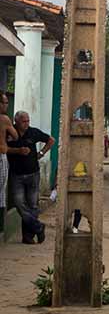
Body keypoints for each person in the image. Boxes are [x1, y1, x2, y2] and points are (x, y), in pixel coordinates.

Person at [7, 111, 54, 244]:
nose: (27, 124)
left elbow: (51, 140)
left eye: (28, 121)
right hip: (17, 175)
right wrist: (18, 151)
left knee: (32, 205)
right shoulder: (10, 132)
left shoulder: (33, 132)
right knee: (19, 204)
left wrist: (41, 153)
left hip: (33, 173)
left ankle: (27, 237)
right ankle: (38, 227)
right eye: (24, 121)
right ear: (16, 122)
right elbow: (4, 148)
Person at [0, 93, 18, 226]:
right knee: (1, 191)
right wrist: (7, 138)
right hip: (1, 156)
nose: (6, 105)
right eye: (4, 103)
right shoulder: (4, 119)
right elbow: (16, 136)